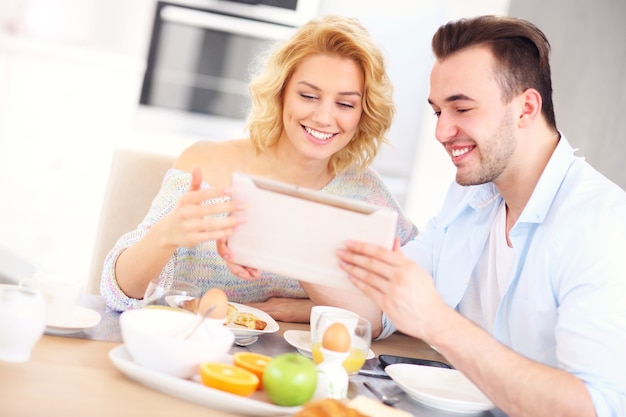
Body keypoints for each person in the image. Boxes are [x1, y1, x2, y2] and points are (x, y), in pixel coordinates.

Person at [337, 15, 626, 417]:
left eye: (462, 108)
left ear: (526, 107)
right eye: (439, 112)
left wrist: (440, 324)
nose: (442, 131)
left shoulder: (602, 225)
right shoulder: (469, 198)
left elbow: (597, 408)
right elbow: (384, 302)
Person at [101, 15, 418, 335]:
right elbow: (118, 293)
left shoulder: (366, 195)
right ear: (280, 93)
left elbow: (397, 312)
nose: (324, 117)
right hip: (183, 347)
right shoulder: (208, 165)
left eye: (345, 104)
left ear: (364, 112)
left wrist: (309, 310)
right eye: (308, 96)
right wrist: (166, 235)